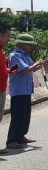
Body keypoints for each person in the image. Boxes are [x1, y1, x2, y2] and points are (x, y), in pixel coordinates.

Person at [5, 33, 48, 149]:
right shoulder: (15, 55)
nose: (31, 47)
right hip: (18, 91)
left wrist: (41, 64)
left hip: (26, 90)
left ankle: (21, 136)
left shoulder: (25, 55)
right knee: (18, 116)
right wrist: (37, 64)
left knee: (25, 116)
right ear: (22, 44)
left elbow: (32, 67)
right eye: (29, 44)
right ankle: (12, 140)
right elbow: (25, 70)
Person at [0, 23, 16, 154]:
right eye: (7, 35)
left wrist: (8, 70)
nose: (8, 38)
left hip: (2, 88)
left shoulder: (1, 51)